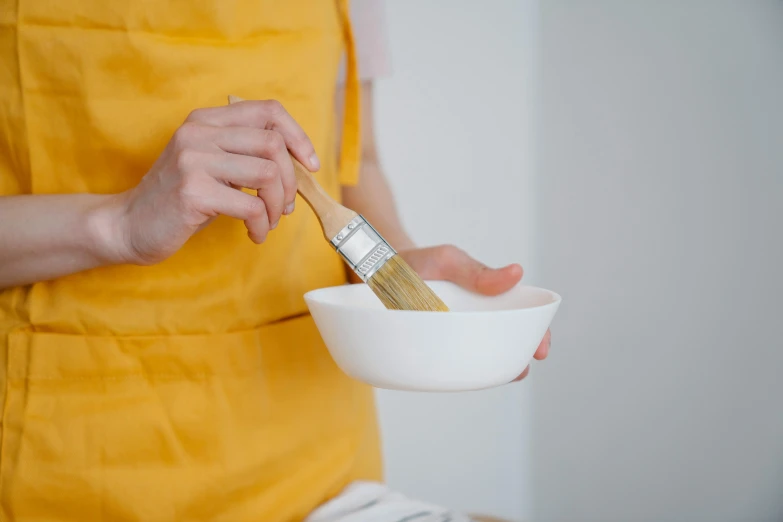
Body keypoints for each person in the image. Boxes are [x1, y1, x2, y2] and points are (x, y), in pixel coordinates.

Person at [0, 0, 551, 520]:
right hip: (62, 468)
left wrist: (391, 269)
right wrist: (118, 223)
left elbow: (354, 161)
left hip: (318, 479)